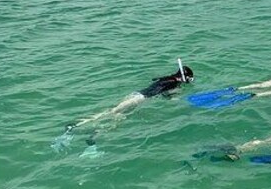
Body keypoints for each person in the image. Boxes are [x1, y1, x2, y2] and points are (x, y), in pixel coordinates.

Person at [53, 65, 194, 153]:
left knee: (111, 112)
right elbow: (164, 95)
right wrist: (176, 97)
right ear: (185, 77)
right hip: (139, 100)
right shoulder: (173, 83)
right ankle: (93, 139)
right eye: (190, 79)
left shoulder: (168, 78)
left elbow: (155, 82)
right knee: (118, 119)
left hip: (135, 95)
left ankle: (75, 126)